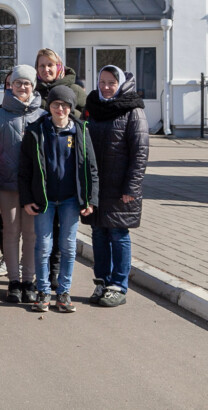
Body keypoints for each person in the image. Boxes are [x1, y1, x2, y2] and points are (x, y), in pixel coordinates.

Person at [19, 85, 99, 313]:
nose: (60, 109)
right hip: (43, 199)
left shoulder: (80, 131)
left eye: (65, 105)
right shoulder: (36, 131)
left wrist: (90, 200)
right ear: (49, 106)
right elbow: (24, 169)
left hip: (70, 200)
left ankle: (63, 292)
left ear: (71, 108)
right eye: (55, 104)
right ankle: (43, 291)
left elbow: (91, 168)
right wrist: (26, 199)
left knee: (68, 246)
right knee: (43, 246)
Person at [84, 65, 148, 308]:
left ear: (120, 83)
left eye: (111, 82)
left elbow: (140, 152)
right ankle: (102, 281)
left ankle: (118, 285)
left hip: (120, 187)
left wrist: (132, 187)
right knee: (99, 233)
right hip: (96, 186)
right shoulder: (92, 106)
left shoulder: (133, 109)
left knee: (118, 234)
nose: (106, 87)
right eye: (102, 81)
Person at [0, 65, 45, 304]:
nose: (22, 87)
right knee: (11, 231)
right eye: (18, 83)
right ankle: (13, 282)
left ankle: (28, 281)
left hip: (32, 186)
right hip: (7, 183)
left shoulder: (41, 116)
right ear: (11, 85)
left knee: (31, 234)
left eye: (27, 83)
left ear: (33, 87)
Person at [34, 48, 86, 120]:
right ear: (37, 68)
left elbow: (87, 116)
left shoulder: (75, 90)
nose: (46, 69)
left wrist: (70, 114)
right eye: (42, 66)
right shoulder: (32, 91)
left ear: (58, 66)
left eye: (50, 65)